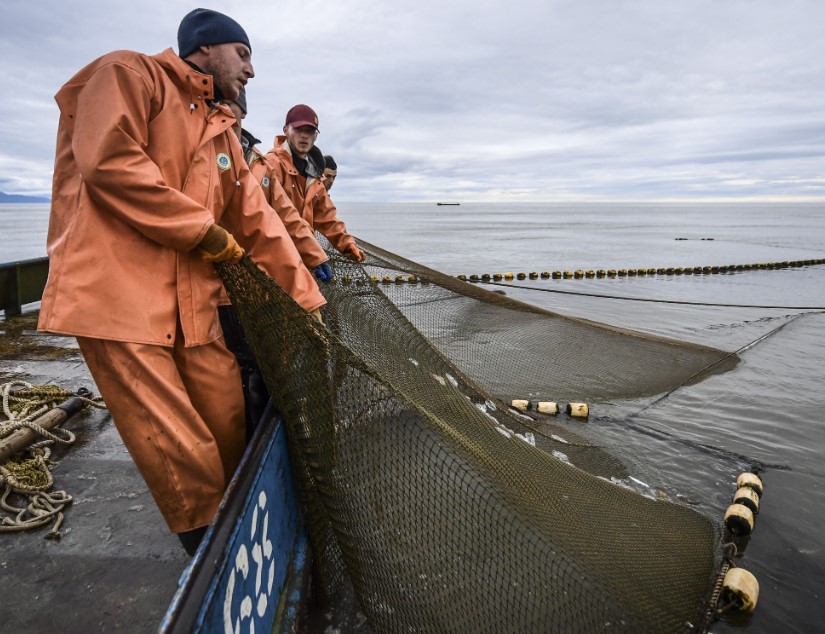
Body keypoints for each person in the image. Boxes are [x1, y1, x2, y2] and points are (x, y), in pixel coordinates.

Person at [38, 8, 325, 555]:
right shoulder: (127, 74)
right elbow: (110, 161)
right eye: (243, 55)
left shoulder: (221, 131)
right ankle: (213, 559)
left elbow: (260, 222)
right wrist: (203, 232)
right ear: (206, 48)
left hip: (192, 302)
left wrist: (308, 303)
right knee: (182, 450)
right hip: (116, 299)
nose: (251, 71)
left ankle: (240, 529)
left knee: (227, 419)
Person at [267, 105, 365, 262]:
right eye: (299, 129)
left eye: (310, 131)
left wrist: (347, 244)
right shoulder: (271, 165)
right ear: (285, 130)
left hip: (303, 258)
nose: (304, 136)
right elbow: (280, 217)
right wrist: (314, 254)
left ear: (316, 135)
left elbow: (326, 217)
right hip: (274, 259)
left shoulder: (314, 175)